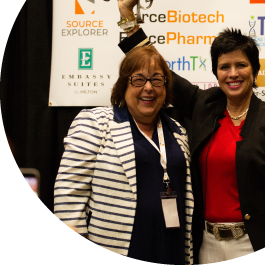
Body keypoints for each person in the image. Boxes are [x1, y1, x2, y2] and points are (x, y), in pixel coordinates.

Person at [116, 0, 265, 264]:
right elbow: (156, 68)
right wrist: (127, 17)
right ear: (216, 73)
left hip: (255, 242)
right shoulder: (205, 106)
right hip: (205, 244)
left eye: (241, 65)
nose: (233, 74)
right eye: (224, 67)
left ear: (255, 70)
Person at [53, 46, 194, 264]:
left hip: (171, 247)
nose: (148, 88)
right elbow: (69, 197)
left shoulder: (178, 132)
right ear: (123, 85)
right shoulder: (95, 123)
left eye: (157, 80)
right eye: (138, 80)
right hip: (120, 245)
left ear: (165, 88)